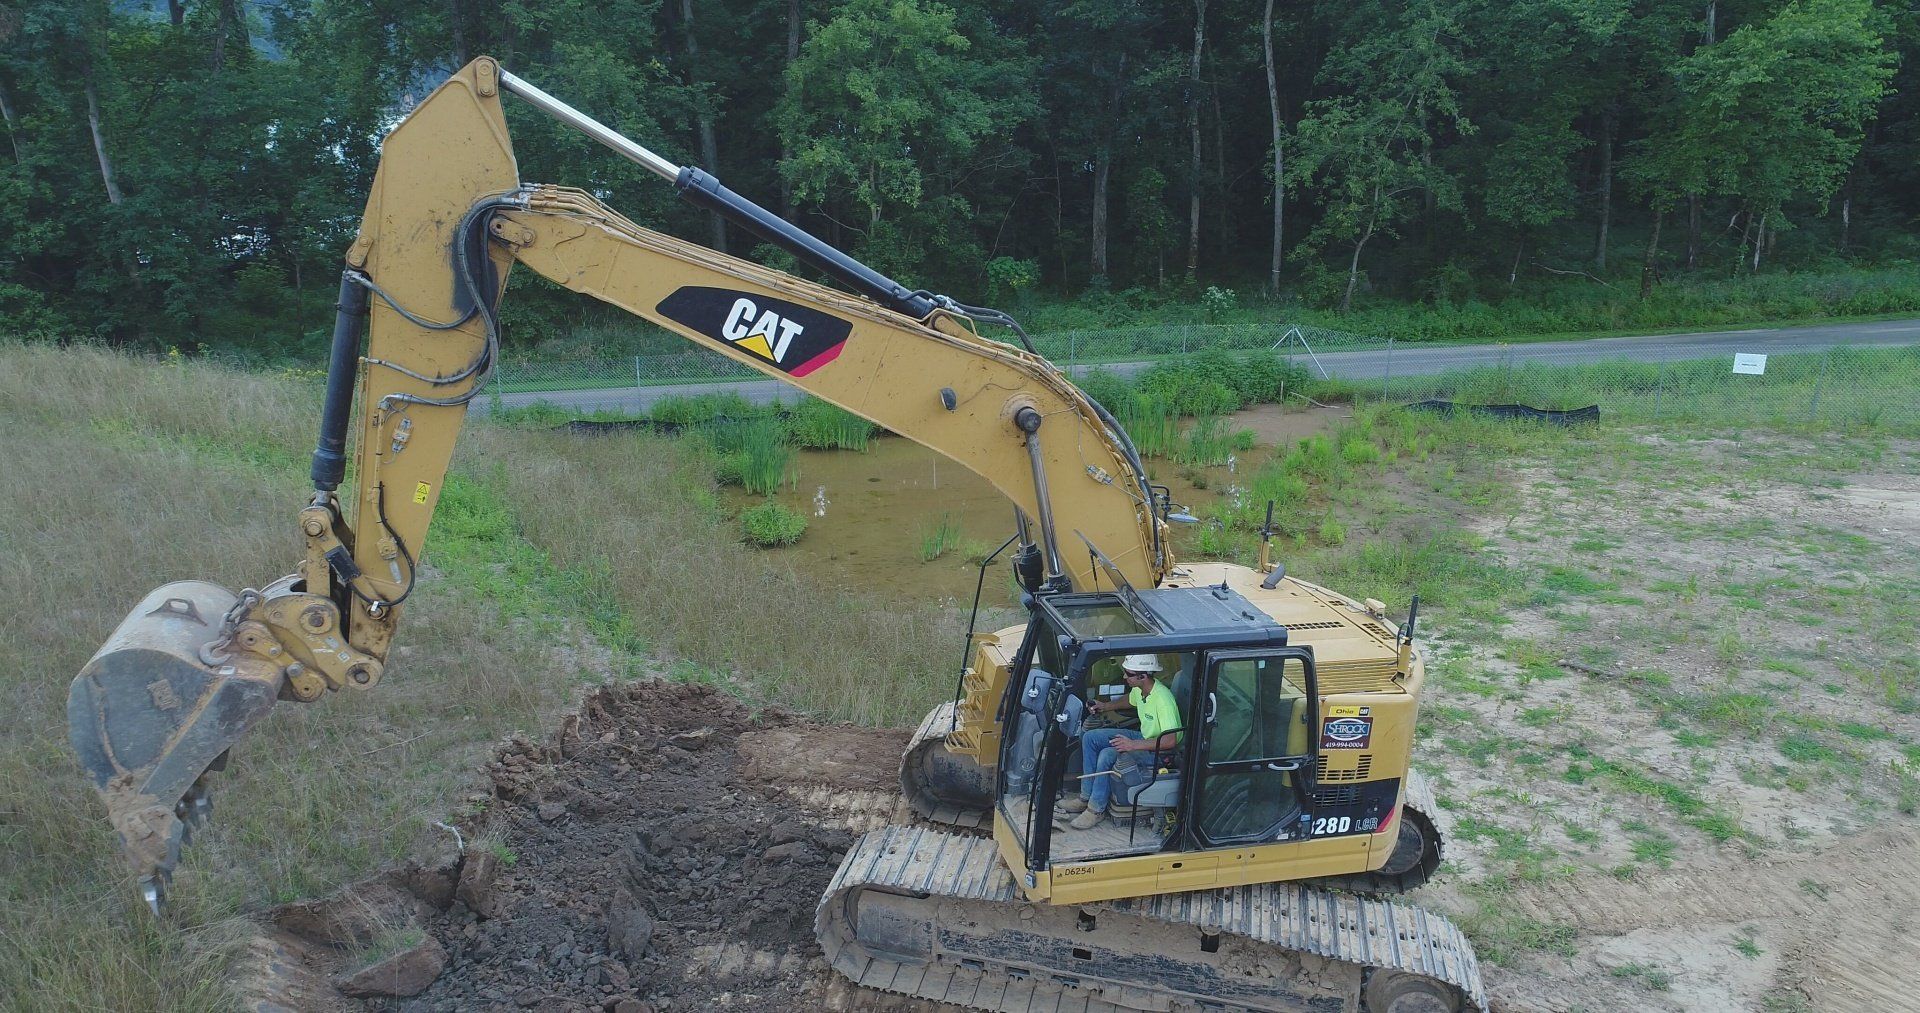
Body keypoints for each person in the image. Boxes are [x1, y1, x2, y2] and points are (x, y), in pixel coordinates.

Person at [1059, 653, 1182, 830]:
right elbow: (1130, 701)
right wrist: (1105, 706)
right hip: (1144, 738)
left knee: (1107, 754)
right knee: (1090, 738)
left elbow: (1171, 740)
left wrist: (1133, 745)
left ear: (1143, 676)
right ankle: (1084, 798)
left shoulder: (1163, 700)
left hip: (1160, 751)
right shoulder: (1141, 689)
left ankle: (1096, 810)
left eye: (1128, 674)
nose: (1124, 677)